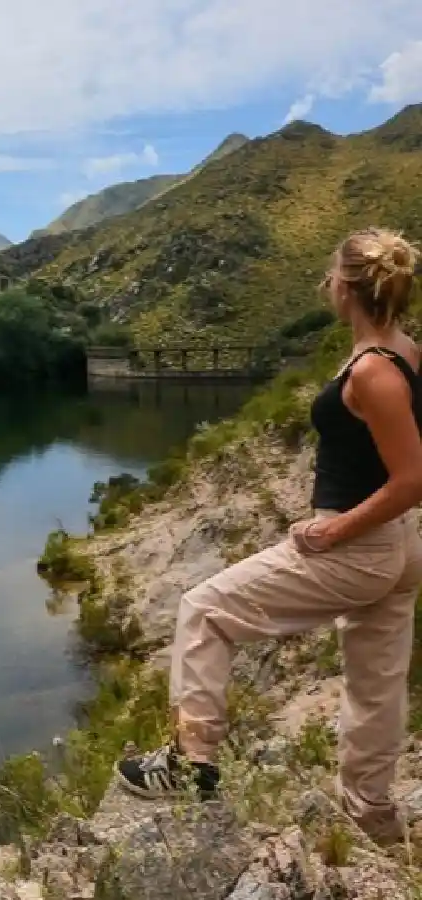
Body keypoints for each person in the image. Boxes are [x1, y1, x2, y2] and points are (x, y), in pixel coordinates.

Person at [115, 227, 422, 844]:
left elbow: (413, 477)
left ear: (345, 285)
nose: (327, 285)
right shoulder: (402, 350)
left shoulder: (373, 372)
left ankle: (189, 760)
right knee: (376, 685)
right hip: (399, 546)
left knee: (204, 610)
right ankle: (371, 819)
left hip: (361, 545)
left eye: (331, 275)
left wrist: (333, 530)